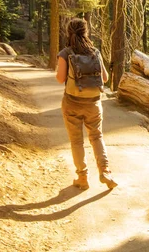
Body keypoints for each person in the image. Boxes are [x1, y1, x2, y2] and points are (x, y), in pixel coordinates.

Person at [55, 18, 117, 190]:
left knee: (76, 141)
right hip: (94, 104)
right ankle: (105, 171)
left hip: (72, 103)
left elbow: (60, 79)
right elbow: (104, 78)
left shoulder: (65, 53)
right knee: (96, 137)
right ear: (86, 32)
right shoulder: (95, 52)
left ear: (69, 33)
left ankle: (82, 177)